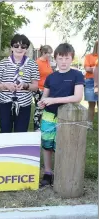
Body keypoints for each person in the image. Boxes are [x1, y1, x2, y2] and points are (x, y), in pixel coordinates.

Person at [38, 43, 84, 186]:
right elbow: (45, 97)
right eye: (60, 58)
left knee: (63, 145)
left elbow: (77, 97)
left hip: (67, 118)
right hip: (49, 116)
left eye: (66, 58)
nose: (63, 62)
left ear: (72, 58)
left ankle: (62, 171)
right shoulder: (51, 77)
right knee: (47, 144)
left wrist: (54, 100)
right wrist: (43, 102)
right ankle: (48, 172)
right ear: (55, 59)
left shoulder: (77, 75)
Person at [0, 34, 39, 133]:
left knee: (21, 133)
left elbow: (35, 86)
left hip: (24, 105)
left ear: (26, 49)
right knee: (5, 132)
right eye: (16, 46)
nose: (19, 48)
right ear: (11, 47)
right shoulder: (2, 63)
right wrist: (5, 85)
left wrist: (26, 85)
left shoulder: (32, 64)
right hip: (5, 103)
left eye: (23, 46)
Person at [33, 45, 53, 131]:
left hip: (47, 89)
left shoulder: (47, 62)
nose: (49, 55)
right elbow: (34, 77)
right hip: (39, 89)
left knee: (45, 107)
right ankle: (36, 126)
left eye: (50, 53)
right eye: (48, 53)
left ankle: (44, 124)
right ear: (43, 53)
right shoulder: (37, 62)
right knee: (39, 107)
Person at [83, 41, 98, 127]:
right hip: (90, 81)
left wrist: (93, 68)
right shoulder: (88, 56)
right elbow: (87, 69)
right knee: (91, 104)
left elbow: (90, 68)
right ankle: (89, 125)